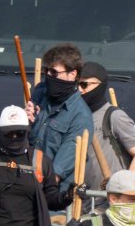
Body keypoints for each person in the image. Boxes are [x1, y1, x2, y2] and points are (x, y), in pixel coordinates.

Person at [78, 61, 135, 211]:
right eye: (76, 85)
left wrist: (122, 187)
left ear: (100, 85)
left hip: (108, 203)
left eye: (84, 85)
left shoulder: (114, 116)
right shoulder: (76, 116)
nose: (79, 90)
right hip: (81, 201)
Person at [26, 44, 95, 194]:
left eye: (54, 72)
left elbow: (58, 171)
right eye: (46, 71)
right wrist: (25, 123)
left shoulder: (81, 117)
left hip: (52, 195)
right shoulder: (40, 91)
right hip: (26, 185)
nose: (49, 76)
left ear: (72, 74)